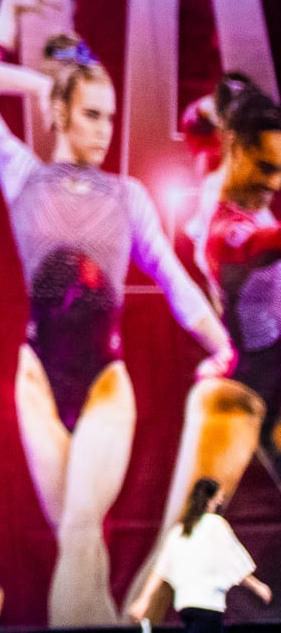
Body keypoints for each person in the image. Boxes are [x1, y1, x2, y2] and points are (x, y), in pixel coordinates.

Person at [0, 0, 233, 626]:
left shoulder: (127, 195)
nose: (106, 130)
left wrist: (221, 344)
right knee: (84, 548)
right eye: (92, 115)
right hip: (37, 382)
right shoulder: (22, 173)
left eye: (110, 116)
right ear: (61, 114)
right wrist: (41, 80)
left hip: (106, 383)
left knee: (80, 530)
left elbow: (172, 278)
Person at [128, 77, 281, 619]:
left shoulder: (237, 177)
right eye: (265, 168)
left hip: (272, 382)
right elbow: (261, 246)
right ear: (234, 148)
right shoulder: (223, 226)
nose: (274, 181)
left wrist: (228, 97)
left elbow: (200, 118)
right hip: (240, 392)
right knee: (179, 547)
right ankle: (135, 626)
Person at [127, 478, 271, 633]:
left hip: (186, 604)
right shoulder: (215, 525)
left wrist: (144, 599)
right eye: (219, 500)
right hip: (208, 603)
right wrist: (257, 586)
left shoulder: (179, 532)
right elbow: (231, 563)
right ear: (211, 501)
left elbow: (160, 569)